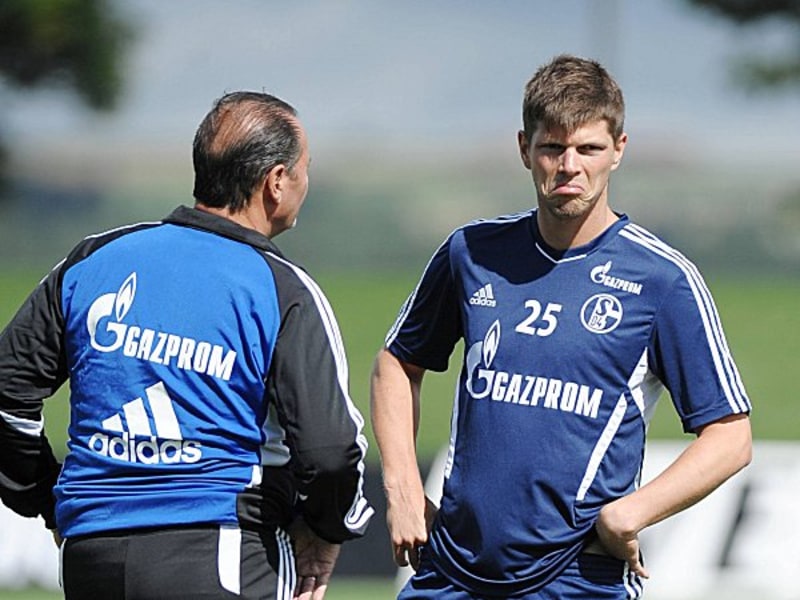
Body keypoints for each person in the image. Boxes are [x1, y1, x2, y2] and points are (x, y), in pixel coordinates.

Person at [370, 54, 752, 600]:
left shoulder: (662, 279)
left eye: (589, 149)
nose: (569, 165)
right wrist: (404, 486)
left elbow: (731, 436)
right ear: (524, 148)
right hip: (450, 571)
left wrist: (630, 514)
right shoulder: (471, 252)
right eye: (553, 147)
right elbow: (396, 363)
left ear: (618, 151)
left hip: (577, 579)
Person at [0, 91, 374, 600]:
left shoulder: (93, 260)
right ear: (277, 182)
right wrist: (327, 529)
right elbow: (331, 450)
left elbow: (6, 389)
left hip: (91, 560)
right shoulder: (282, 289)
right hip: (222, 555)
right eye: (306, 168)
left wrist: (51, 498)